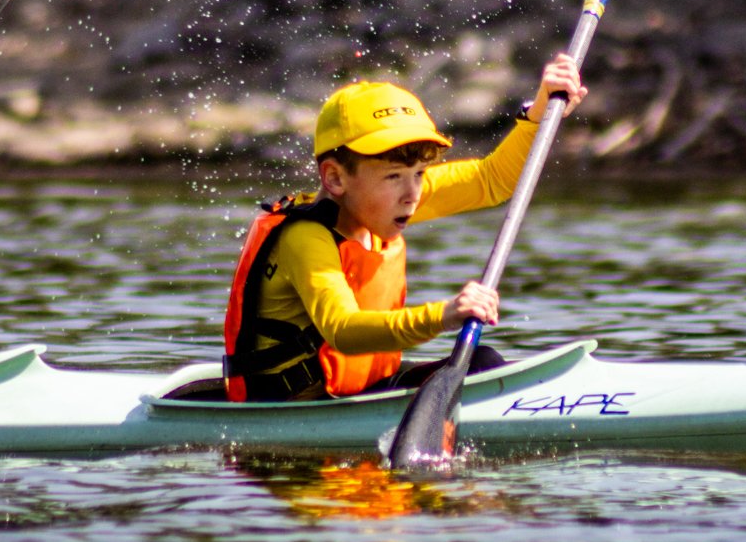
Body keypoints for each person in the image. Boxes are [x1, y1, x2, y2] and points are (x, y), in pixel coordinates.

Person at [221, 56, 587, 402]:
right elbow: (343, 330)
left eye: (419, 174)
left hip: (364, 392)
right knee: (482, 365)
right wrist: (443, 316)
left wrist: (539, 112)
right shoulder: (306, 238)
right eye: (394, 176)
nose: (413, 194)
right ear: (335, 177)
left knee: (482, 361)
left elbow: (493, 180)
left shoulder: (381, 200)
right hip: (297, 407)